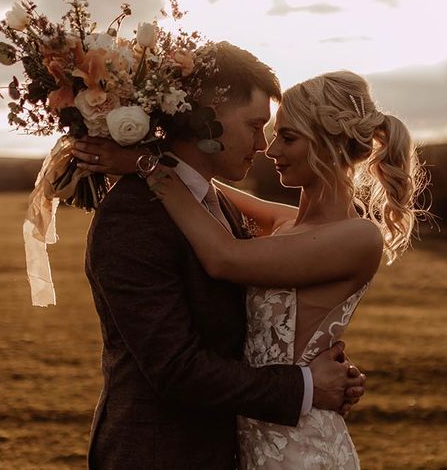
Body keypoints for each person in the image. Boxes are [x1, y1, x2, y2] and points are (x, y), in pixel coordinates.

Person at [75, 44, 366, 470]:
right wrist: (305, 385)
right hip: (160, 456)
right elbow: (175, 368)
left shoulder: (215, 203)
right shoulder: (134, 215)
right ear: (203, 117)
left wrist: (318, 358)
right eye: (255, 125)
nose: (263, 144)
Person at [144, 70, 425, 468]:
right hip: (254, 436)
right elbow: (209, 189)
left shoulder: (359, 238)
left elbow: (223, 258)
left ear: (330, 145)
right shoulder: (288, 224)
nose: (270, 150)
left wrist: (148, 168)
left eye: (288, 138)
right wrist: (154, 144)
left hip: (301, 448)